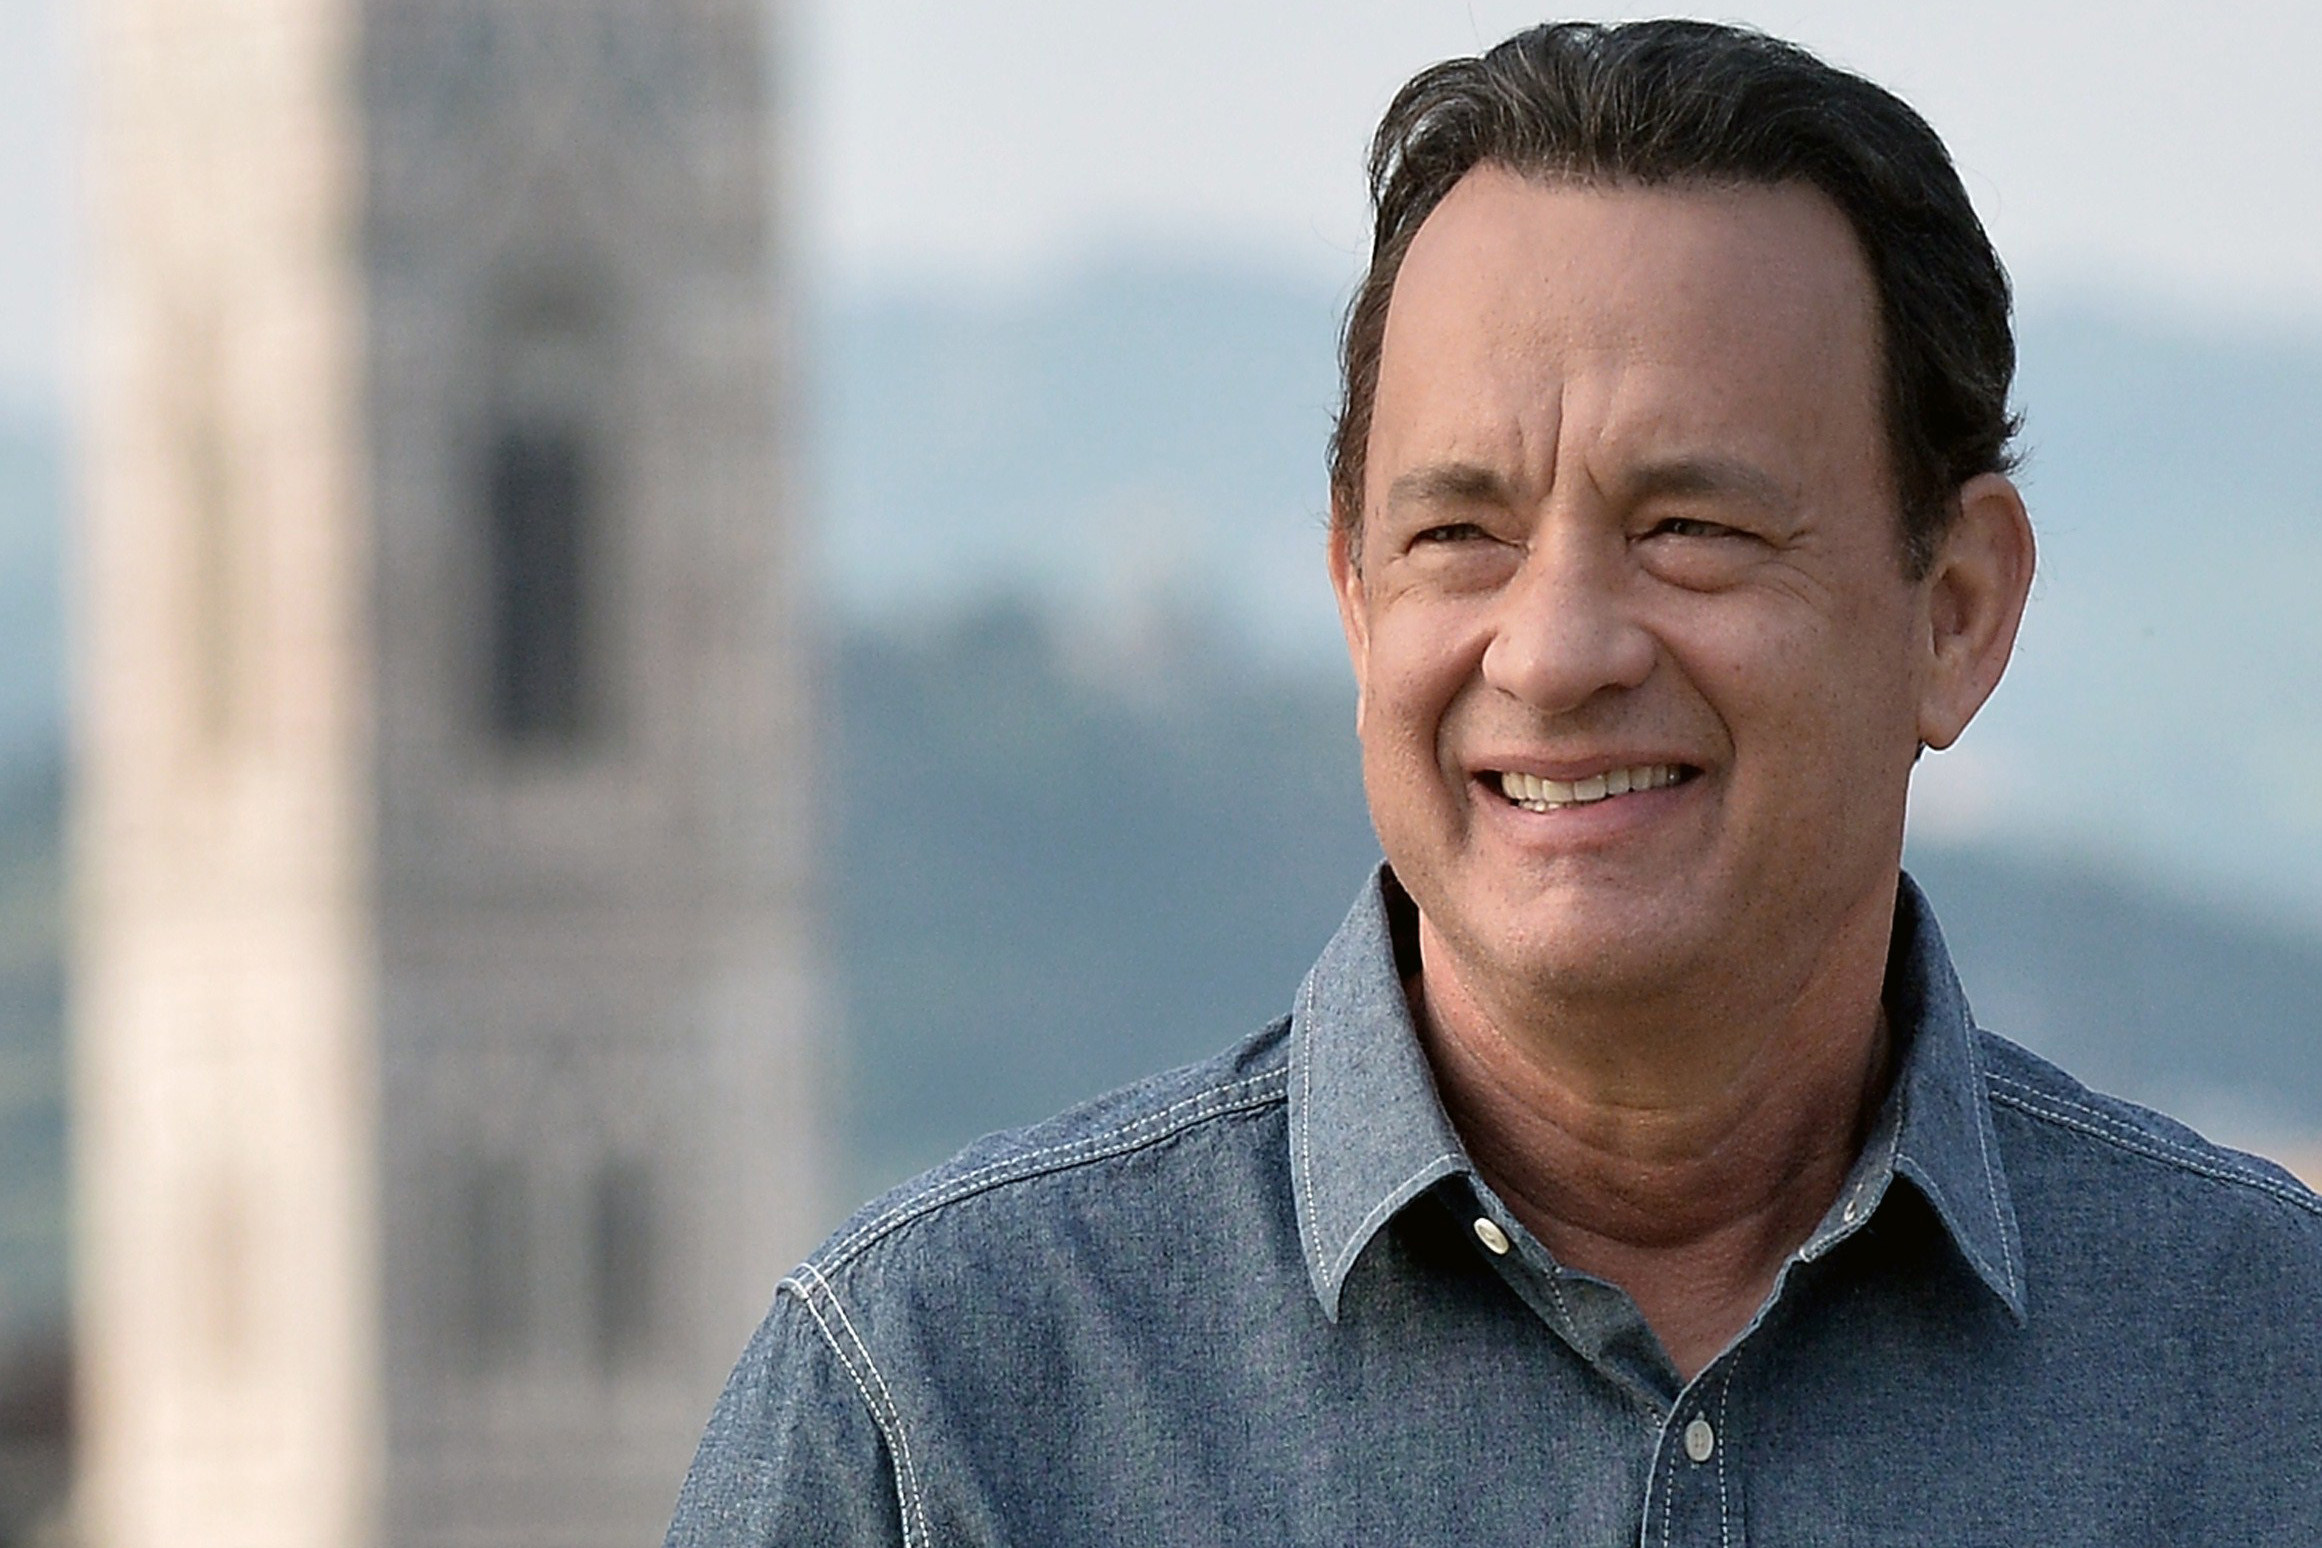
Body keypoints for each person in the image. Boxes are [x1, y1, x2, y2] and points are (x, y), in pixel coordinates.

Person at [669, 21, 2322, 1545]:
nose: (1553, 651)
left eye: (1690, 529)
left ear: (1953, 612)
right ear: (1354, 598)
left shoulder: (2270, 1374)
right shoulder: (934, 1419)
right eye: (1459, 532)